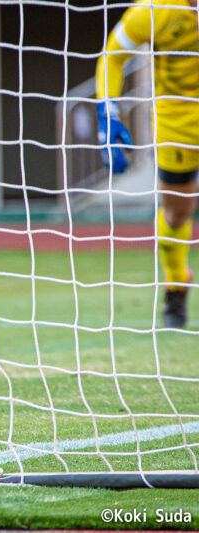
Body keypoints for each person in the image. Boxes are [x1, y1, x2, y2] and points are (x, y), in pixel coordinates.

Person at [96, 0, 199, 328]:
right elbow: (112, 56)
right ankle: (175, 283)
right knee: (177, 212)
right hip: (177, 120)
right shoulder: (154, 9)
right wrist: (107, 113)